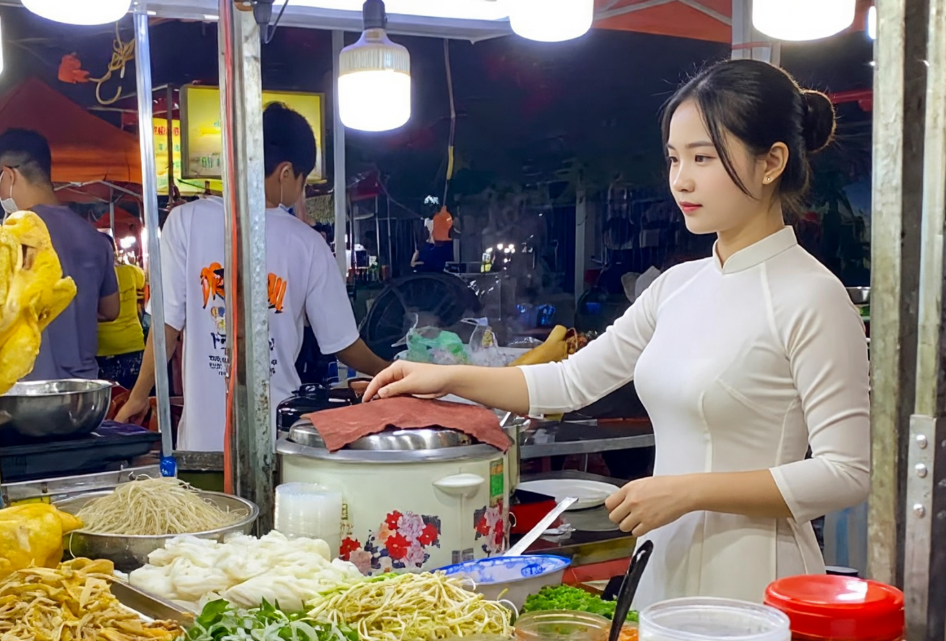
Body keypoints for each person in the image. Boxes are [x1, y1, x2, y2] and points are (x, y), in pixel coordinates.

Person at [362, 60, 869, 607]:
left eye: (703, 157)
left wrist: (689, 492)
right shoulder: (676, 286)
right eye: (674, 158)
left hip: (753, 582)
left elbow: (845, 473)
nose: (681, 179)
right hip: (661, 565)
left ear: (771, 162)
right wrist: (446, 378)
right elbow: (569, 383)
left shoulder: (811, 295)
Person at [114, 103, 391, 450]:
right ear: (286, 172)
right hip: (276, 440)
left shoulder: (185, 221)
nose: (301, 192)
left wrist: (139, 396)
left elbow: (165, 329)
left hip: (202, 445)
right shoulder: (308, 244)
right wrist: (391, 370)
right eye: (303, 181)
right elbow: (343, 345)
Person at [0, 128, 120, 380]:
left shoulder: (8, 238)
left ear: (9, 175)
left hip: (28, 388)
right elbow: (111, 310)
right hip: (82, 390)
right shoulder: (95, 239)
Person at [98, 258, 148, 389]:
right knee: (134, 394)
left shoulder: (93, 275)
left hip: (102, 348)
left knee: (110, 397)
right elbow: (144, 279)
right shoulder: (131, 271)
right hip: (132, 344)